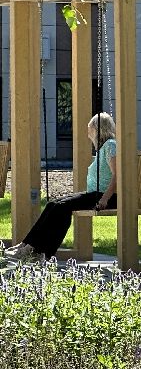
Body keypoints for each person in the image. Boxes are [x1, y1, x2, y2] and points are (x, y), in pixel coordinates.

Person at [4, 112, 118, 262]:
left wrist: (105, 198)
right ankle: (28, 246)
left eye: (90, 128)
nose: (88, 132)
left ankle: (37, 251)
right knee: (54, 204)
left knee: (62, 207)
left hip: (105, 197)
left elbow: (118, 175)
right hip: (95, 194)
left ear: (98, 130)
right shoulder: (103, 148)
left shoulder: (110, 145)